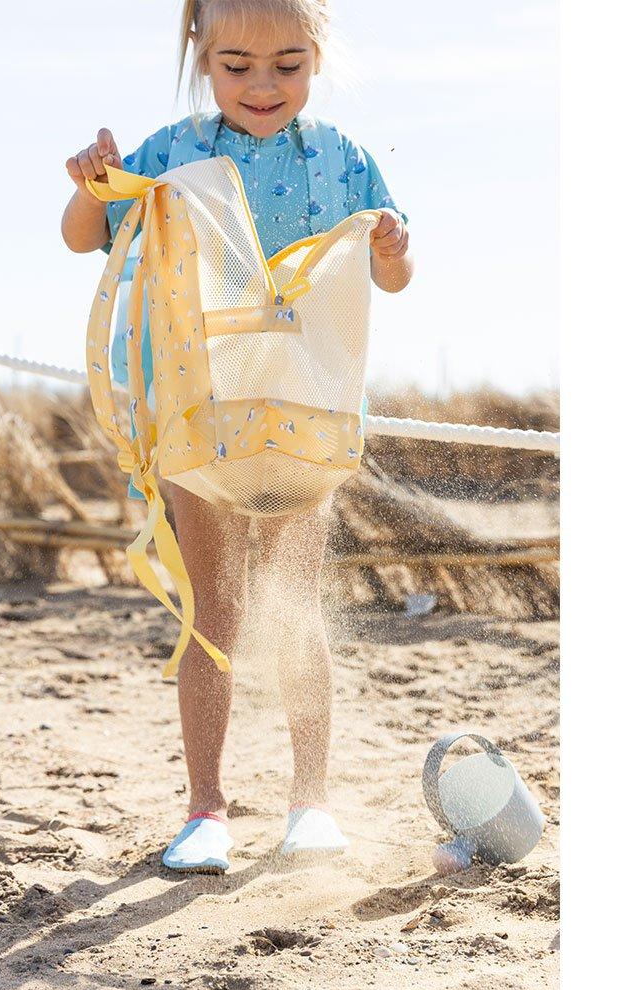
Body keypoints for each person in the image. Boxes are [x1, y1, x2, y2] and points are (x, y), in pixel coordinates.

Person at [60, 0, 413, 873]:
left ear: (318, 55)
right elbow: (82, 238)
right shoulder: (174, 152)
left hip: (301, 416)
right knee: (215, 610)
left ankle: (311, 804)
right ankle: (207, 811)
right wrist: (87, 184)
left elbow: (392, 277)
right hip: (199, 414)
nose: (263, 86)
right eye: (237, 66)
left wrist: (397, 248)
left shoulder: (343, 159)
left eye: (288, 66)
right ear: (201, 53)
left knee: (296, 609)